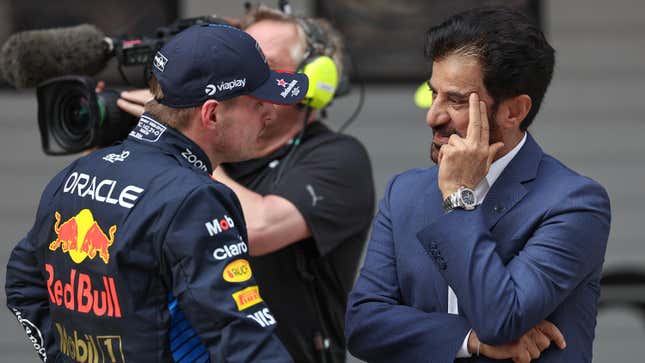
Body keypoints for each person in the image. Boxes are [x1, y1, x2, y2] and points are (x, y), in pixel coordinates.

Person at [5, 24, 308, 362]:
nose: (271, 112)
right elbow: (241, 337)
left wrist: (61, 356)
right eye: (257, 103)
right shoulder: (195, 199)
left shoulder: (76, 174)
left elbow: (22, 282)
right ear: (211, 114)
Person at [346, 7, 610, 363]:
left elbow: (503, 318)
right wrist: (470, 339)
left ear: (513, 111)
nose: (433, 116)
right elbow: (362, 325)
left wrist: (458, 197)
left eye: (455, 100)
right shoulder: (404, 193)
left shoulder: (574, 202)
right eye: (433, 93)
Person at [116, 6, 375, 363]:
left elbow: (256, 229)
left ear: (316, 78)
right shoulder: (220, 150)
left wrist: (182, 139)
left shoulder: (340, 157)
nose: (247, 78)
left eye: (265, 65)